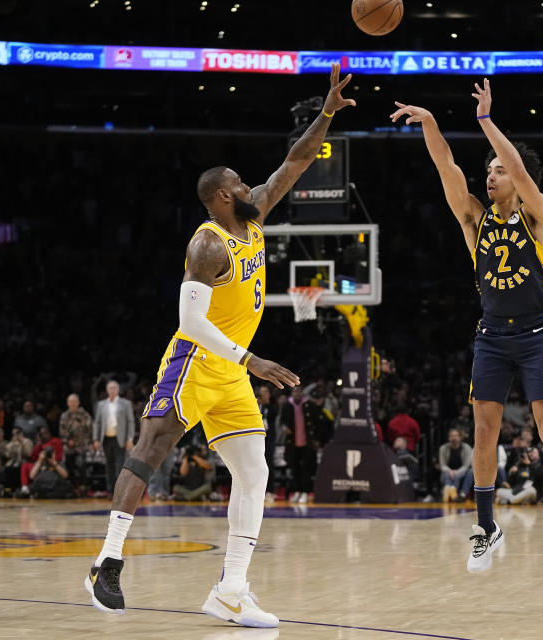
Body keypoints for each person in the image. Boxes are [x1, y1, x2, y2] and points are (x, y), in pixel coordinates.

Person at [85, 64, 354, 627]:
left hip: (231, 373)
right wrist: (251, 359)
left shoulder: (252, 215)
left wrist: (326, 112)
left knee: (253, 473)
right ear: (224, 197)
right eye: (239, 181)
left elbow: (296, 162)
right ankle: (106, 561)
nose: (250, 184)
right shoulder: (208, 248)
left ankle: (231, 589)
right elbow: (190, 323)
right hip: (196, 360)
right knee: (152, 449)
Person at [391, 78, 543, 573]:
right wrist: (432, 125)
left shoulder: (536, 216)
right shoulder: (475, 222)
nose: (492, 176)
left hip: (538, 334)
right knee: (483, 431)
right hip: (492, 336)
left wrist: (484, 121)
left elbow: (519, 168)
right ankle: (486, 526)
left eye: (499, 171)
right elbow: (447, 168)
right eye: (490, 170)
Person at [92, 380, 136, 496]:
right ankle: (110, 490)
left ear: (118, 390)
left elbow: (130, 422)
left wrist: (130, 439)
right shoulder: (101, 404)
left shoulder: (126, 403)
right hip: (106, 438)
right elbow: (97, 423)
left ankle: (120, 491)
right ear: (107, 390)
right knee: (109, 466)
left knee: (121, 465)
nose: (112, 390)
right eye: (110, 388)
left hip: (120, 438)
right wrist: (96, 438)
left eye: (114, 388)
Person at [439, 428, 473, 502]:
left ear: (460, 437)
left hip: (463, 472)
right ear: (448, 438)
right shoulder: (443, 448)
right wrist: (450, 471)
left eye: (456, 436)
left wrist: (455, 472)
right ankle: (451, 492)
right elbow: (443, 465)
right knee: (446, 474)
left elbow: (466, 466)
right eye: (451, 436)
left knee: (471, 471)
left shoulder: (467, 448)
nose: (454, 438)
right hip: (447, 473)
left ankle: (457, 493)